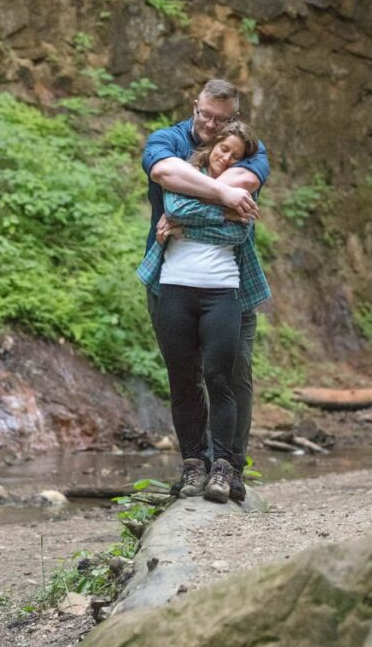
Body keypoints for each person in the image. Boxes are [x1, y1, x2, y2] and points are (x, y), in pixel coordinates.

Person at [141, 79, 270, 501]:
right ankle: (195, 464)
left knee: (233, 375)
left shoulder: (251, 148)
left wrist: (186, 212)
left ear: (233, 117)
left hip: (229, 283)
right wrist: (221, 198)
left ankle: (229, 468)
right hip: (171, 280)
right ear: (194, 105)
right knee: (184, 376)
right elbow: (164, 174)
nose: (211, 127)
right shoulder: (168, 138)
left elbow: (242, 196)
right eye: (205, 115)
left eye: (221, 120)